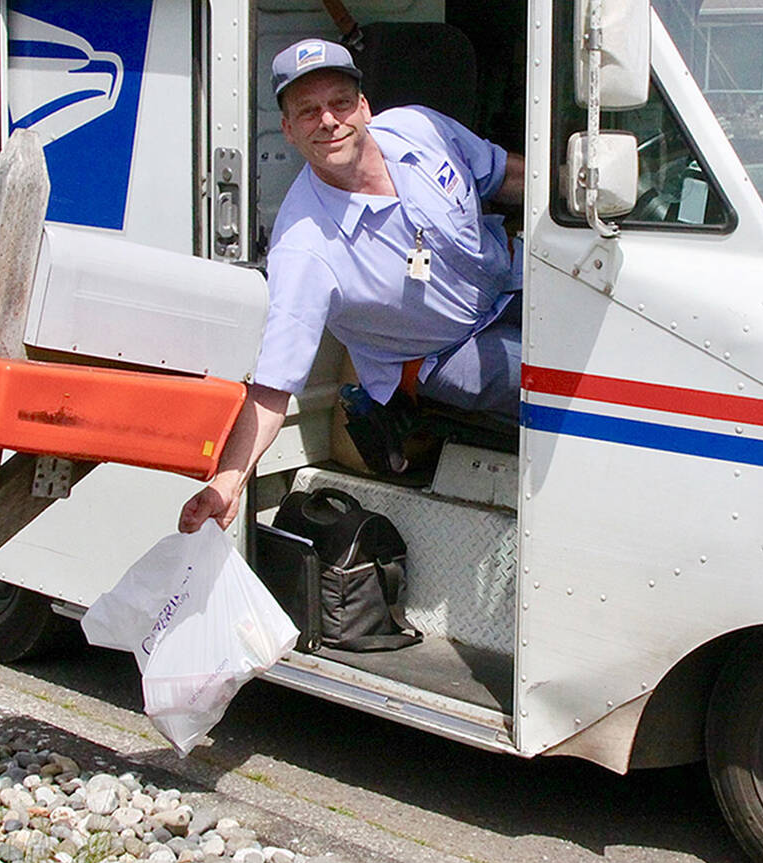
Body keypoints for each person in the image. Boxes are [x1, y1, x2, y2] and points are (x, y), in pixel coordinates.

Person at [179, 37, 525, 533]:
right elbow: (274, 388)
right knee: (564, 382)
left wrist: (579, 189)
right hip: (443, 351)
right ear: (288, 131)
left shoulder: (417, 128)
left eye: (340, 102)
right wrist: (228, 482)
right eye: (307, 111)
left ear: (364, 106)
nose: (328, 120)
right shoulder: (303, 247)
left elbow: (501, 175)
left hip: (510, 280)